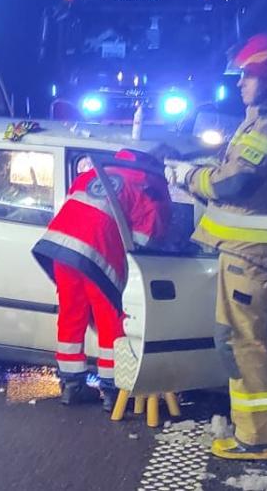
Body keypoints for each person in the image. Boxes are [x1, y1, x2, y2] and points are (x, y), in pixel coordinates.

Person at [168, 34, 267, 461]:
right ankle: (259, 430)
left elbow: (236, 182)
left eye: (247, 75)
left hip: (253, 251)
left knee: (243, 343)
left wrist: (187, 177)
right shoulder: (265, 119)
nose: (240, 83)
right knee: (244, 340)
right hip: (250, 249)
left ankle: (258, 439)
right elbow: (237, 172)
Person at [32, 149, 171, 408]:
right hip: (100, 255)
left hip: (62, 250)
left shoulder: (93, 173)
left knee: (71, 317)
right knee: (110, 323)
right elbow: (146, 240)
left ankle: (71, 386)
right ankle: (112, 391)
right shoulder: (147, 185)